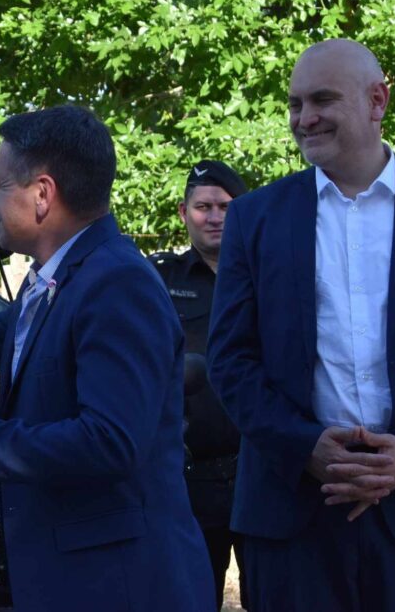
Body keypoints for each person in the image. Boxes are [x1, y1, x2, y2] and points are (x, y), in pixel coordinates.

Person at [0, 105, 213, 611]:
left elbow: (109, 441)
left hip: (119, 585)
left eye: (0, 184)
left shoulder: (118, 283)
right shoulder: (53, 277)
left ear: (43, 195)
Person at [207, 38, 395, 611]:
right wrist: (306, 447)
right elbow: (231, 359)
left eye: (322, 100)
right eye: (295, 104)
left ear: (377, 100)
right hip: (294, 515)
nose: (304, 119)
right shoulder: (255, 218)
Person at [149, 159, 248, 610]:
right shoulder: (157, 280)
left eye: (226, 206)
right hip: (187, 480)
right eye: (203, 206)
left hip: (259, 472)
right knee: (190, 600)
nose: (215, 217)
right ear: (182, 213)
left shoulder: (267, 276)